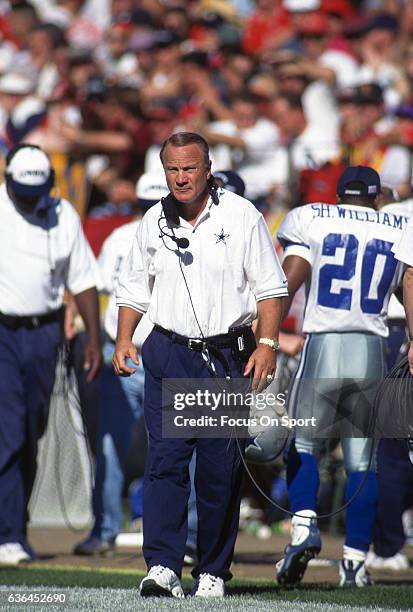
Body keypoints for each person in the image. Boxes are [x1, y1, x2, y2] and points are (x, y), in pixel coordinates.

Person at [113, 132, 288, 597]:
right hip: (169, 350)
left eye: (189, 168)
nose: (181, 177)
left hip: (226, 354)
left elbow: (271, 288)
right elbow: (133, 288)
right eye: (172, 169)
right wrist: (124, 338)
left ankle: (212, 570)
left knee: (218, 468)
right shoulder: (153, 219)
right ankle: (163, 566)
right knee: (165, 463)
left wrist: (266, 343)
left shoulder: (242, 214)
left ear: (208, 168)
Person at [276, 165, 409, 587]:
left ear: (338, 195)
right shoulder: (399, 225)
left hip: (323, 344)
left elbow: (290, 280)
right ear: (375, 197)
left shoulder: (311, 216)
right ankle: (354, 560)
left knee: (302, 443)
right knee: (363, 463)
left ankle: (303, 526)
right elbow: (407, 281)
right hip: (370, 347)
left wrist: (266, 335)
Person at [0, 144, 101, 565]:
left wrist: (93, 338)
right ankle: (7, 533)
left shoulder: (63, 216)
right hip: (3, 329)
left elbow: (83, 279)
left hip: (44, 332)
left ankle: (13, 527)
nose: (29, 199)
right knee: (7, 429)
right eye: (22, 191)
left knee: (30, 432)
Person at [73, 172, 169, 556]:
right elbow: (97, 289)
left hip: (152, 352)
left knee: (160, 446)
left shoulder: (124, 236)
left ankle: (118, 530)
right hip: (134, 352)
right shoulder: (125, 237)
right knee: (120, 444)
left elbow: (97, 291)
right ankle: (109, 528)